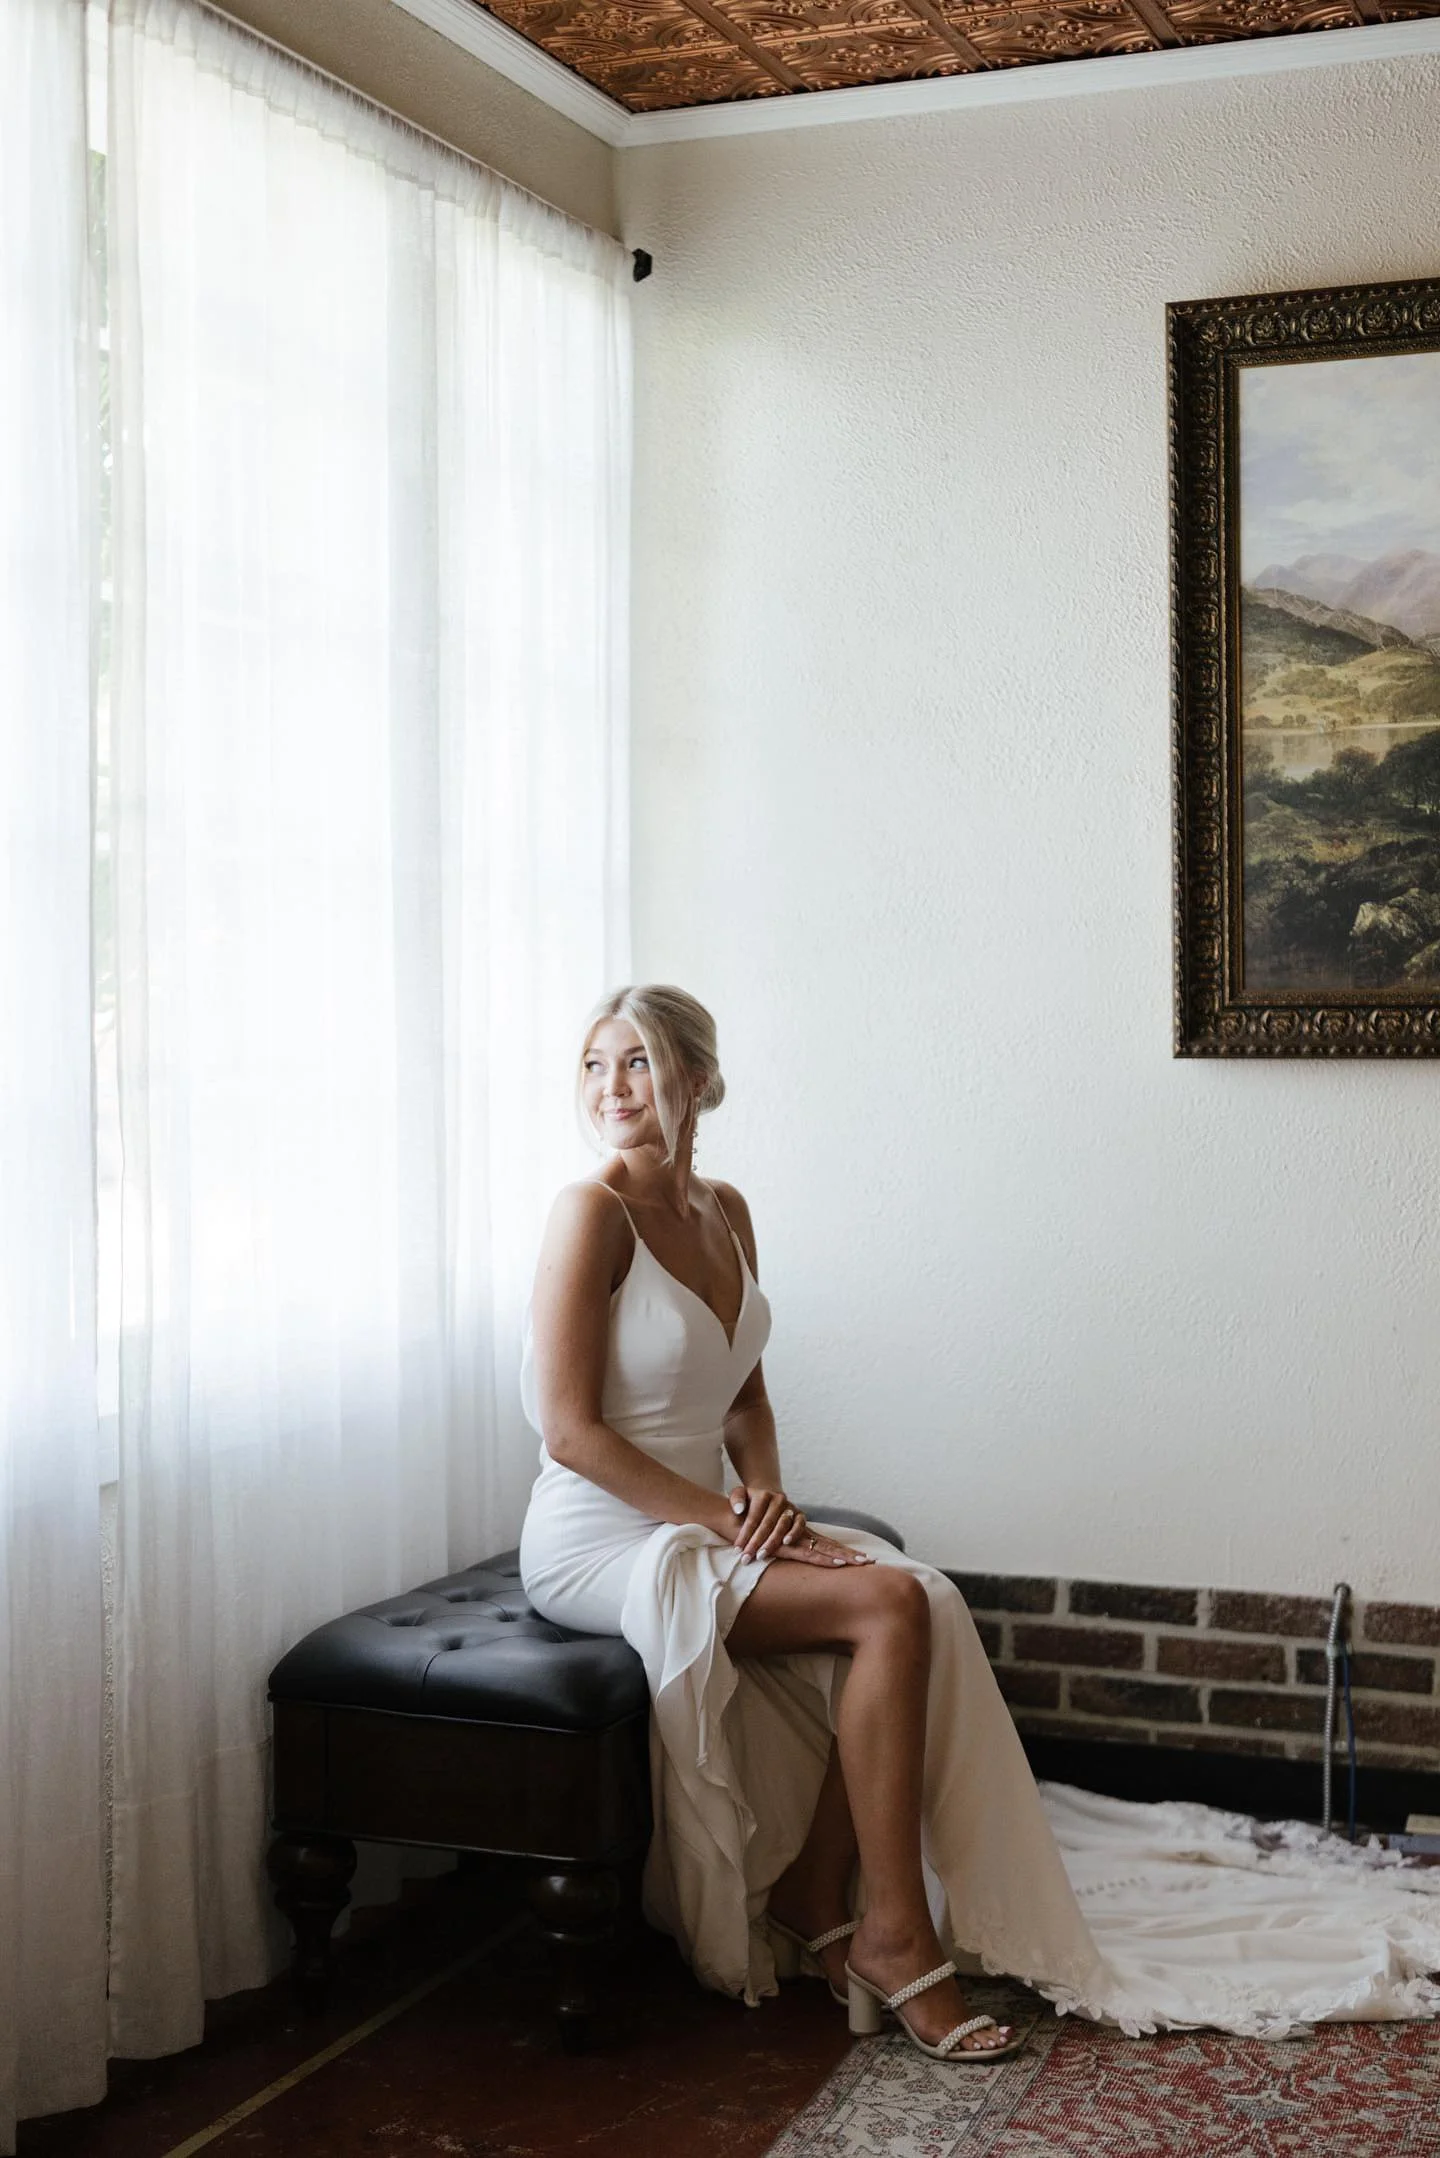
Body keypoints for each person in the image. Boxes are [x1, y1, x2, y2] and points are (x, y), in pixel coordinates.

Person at [519, 985, 1440, 2056]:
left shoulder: (725, 1209)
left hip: (709, 1516)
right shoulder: (590, 1213)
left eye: (635, 1061)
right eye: (593, 1065)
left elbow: (746, 1399)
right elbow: (571, 1432)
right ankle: (895, 1935)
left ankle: (824, 1888)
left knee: (920, 1594)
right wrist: (731, 1522)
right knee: (887, 1605)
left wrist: (769, 1496)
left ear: (699, 1077)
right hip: (600, 1534)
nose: (611, 1088)